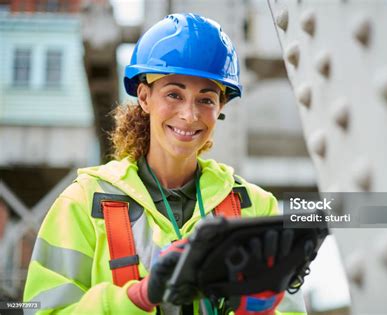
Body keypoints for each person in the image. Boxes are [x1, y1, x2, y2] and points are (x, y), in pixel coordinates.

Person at [23, 13, 307, 315]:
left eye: (206, 99)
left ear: (221, 107)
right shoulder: (82, 202)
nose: (190, 114)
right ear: (144, 97)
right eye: (174, 94)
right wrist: (137, 298)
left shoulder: (257, 208)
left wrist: (259, 308)